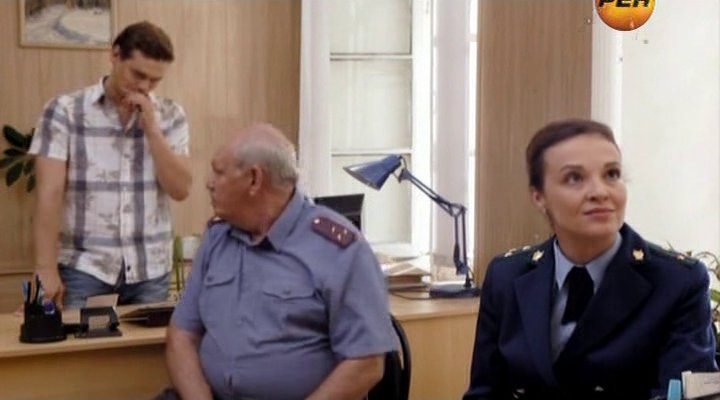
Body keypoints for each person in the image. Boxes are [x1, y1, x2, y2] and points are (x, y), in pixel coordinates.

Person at [464, 119, 718, 399]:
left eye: (611, 174)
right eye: (574, 178)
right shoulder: (507, 276)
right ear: (539, 196)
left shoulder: (676, 281)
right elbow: (484, 392)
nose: (600, 192)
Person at [165, 123, 396, 400]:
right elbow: (182, 334)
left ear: (254, 179)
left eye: (219, 172)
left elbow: (366, 363)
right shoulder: (217, 238)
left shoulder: (339, 250)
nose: (209, 183)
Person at [29, 21, 192, 309]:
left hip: (150, 271)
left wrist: (152, 129)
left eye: (154, 80)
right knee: (81, 341)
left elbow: (180, 190)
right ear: (115, 55)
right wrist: (45, 269)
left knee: (147, 343)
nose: (144, 86)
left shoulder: (171, 115)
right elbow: (48, 194)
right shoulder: (65, 111)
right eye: (138, 74)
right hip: (85, 268)